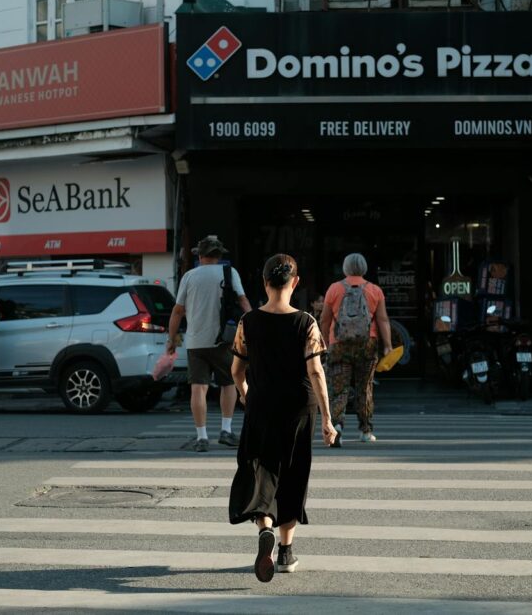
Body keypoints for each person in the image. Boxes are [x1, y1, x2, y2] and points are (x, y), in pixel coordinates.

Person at [228, 254, 335, 582]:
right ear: (295, 283)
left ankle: (266, 529)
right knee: (293, 472)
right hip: (298, 410)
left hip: (261, 406)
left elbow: (236, 370)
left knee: (264, 470)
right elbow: (315, 371)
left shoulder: (249, 322)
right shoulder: (306, 323)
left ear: (264, 283)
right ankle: (287, 552)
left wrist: (248, 396)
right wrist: (329, 419)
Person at [166, 235, 252, 452]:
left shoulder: (189, 276)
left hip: (195, 342)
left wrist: (172, 340)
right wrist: (254, 325)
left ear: (200, 255)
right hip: (223, 340)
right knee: (228, 383)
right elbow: (242, 301)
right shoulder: (229, 273)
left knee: (198, 388)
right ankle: (226, 430)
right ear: (220, 254)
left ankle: (201, 437)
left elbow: (178, 311)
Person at [319, 253, 392, 446]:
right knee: (364, 387)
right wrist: (388, 345)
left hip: (339, 344)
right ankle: (366, 431)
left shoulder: (334, 289)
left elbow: (325, 320)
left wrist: (325, 343)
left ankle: (337, 428)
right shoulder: (375, 290)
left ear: (345, 268)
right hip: (367, 344)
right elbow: (383, 319)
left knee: (338, 388)